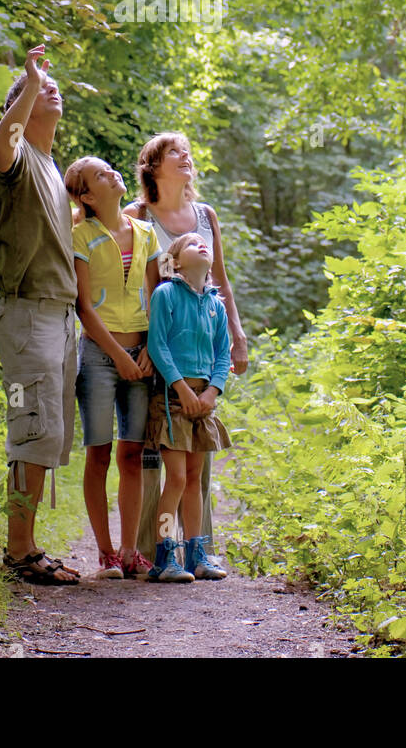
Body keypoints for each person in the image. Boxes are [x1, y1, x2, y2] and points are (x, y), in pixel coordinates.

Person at [128, 132, 248, 563]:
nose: (185, 158)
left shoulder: (205, 216)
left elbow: (221, 282)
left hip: (203, 352)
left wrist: (236, 336)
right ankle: (155, 550)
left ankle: (197, 550)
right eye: (174, 152)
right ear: (152, 166)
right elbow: (135, 285)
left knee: (194, 470)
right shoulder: (138, 214)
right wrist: (140, 343)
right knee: (158, 465)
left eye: (187, 153)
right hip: (159, 356)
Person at [0, 43, 80, 585]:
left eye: (50, 85)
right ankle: (19, 553)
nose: (51, 87)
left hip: (58, 319)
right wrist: (27, 82)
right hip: (26, 319)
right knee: (28, 425)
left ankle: (24, 547)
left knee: (44, 432)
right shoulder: (17, 159)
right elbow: (4, 141)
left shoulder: (51, 168)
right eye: (38, 88)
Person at [64, 156, 161, 580]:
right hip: (101, 358)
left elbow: (159, 297)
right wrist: (118, 356)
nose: (114, 174)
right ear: (86, 195)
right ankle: (104, 554)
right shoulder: (79, 236)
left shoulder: (145, 232)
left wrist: (150, 350)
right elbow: (83, 306)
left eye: (111, 170)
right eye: (101, 175)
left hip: (142, 352)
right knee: (100, 452)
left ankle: (129, 551)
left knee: (133, 453)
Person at [145, 231, 231, 581]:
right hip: (171, 400)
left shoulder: (216, 304)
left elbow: (223, 354)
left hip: (203, 404)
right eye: (191, 243)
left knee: (196, 479)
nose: (202, 244)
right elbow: (158, 344)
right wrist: (181, 388)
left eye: (203, 242)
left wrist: (211, 393)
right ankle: (165, 555)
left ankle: (199, 553)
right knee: (177, 478)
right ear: (176, 262)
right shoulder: (166, 294)